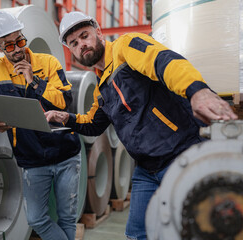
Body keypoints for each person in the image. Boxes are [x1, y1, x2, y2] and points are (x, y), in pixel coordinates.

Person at [45, 11, 238, 240]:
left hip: (180, 154)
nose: (81, 45)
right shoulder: (101, 88)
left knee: (194, 230)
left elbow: (163, 61)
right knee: (137, 235)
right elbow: (93, 125)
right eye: (73, 43)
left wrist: (197, 91)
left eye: (84, 36)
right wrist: (66, 118)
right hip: (146, 170)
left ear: (98, 32)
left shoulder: (126, 47)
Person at [0, 10, 81, 240]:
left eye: (20, 40)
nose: (18, 48)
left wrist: (35, 81)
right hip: (32, 159)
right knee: (36, 218)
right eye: (9, 45)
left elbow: (64, 101)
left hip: (65, 153)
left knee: (67, 218)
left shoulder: (48, 63)